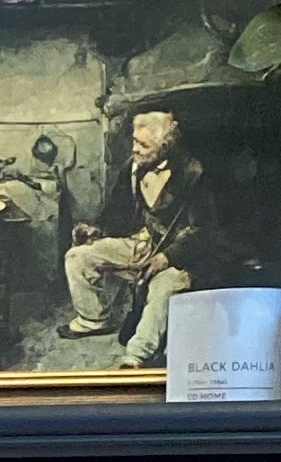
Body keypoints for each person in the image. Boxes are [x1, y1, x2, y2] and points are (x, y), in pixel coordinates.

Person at [62, 110, 203, 347]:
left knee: (161, 292)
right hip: (144, 242)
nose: (134, 149)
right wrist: (98, 229)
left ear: (165, 147)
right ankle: (93, 320)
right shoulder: (133, 166)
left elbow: (203, 230)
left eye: (143, 145)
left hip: (179, 256)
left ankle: (136, 357)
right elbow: (117, 208)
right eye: (135, 141)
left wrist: (166, 257)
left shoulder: (192, 173)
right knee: (78, 256)